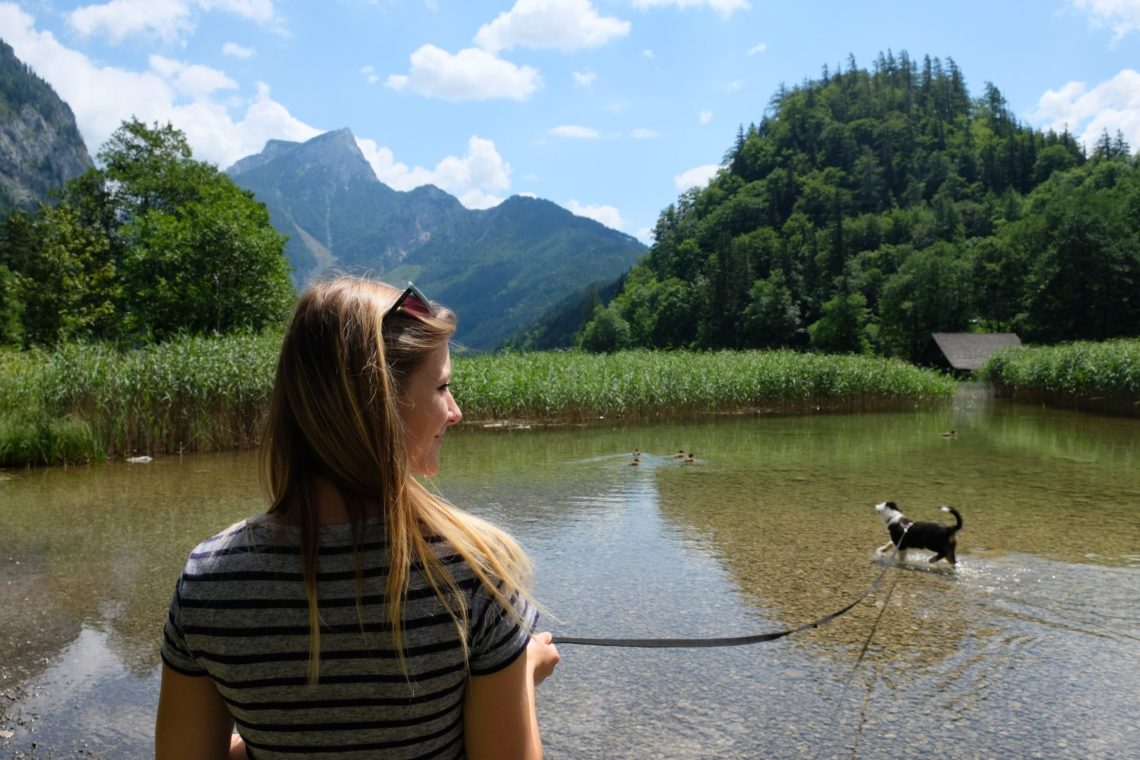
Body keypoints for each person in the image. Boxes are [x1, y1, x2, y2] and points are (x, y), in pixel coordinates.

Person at [155, 278, 560, 759]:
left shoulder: (209, 579)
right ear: (382, 406)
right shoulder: (472, 571)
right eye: (442, 387)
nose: (456, 411)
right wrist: (523, 673)